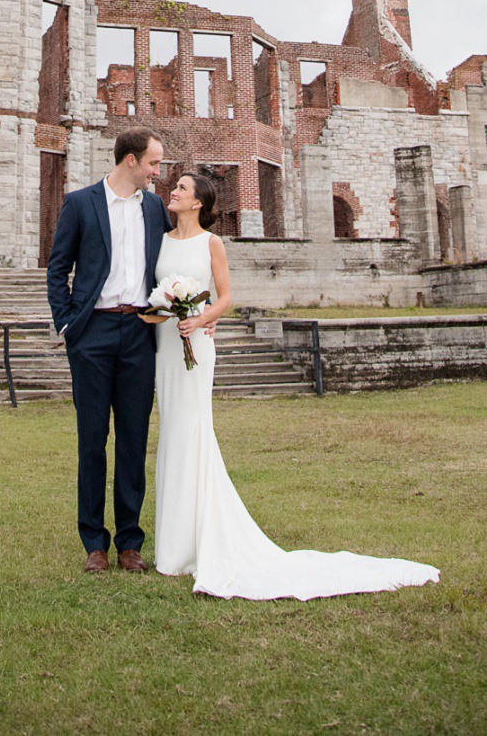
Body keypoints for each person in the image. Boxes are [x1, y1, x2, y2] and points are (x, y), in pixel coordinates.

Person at [152, 169, 441, 600]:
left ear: (198, 202)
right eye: (174, 186)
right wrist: (160, 312)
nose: (172, 192)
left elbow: (226, 298)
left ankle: (195, 542)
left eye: (181, 188)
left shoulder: (212, 243)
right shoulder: (159, 239)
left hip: (195, 343)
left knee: (193, 429)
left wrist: (202, 318)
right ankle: (171, 545)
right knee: (170, 431)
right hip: (164, 346)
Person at [45, 126, 172, 573]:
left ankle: (130, 543)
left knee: (134, 440)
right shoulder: (81, 203)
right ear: (131, 160)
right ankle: (94, 544)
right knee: (92, 441)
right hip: (92, 333)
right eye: (154, 163)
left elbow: (172, 262)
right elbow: (58, 266)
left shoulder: (156, 208)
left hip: (140, 331)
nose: (159, 172)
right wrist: (67, 324)